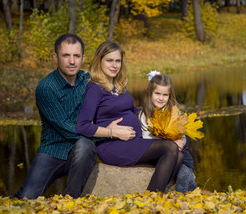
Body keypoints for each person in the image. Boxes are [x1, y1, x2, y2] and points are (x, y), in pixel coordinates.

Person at [76, 40, 183, 192]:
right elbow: (82, 126)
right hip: (113, 146)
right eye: (109, 60)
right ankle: (152, 198)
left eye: (118, 61)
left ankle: (156, 192)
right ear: (99, 61)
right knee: (169, 148)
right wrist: (112, 132)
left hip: (134, 141)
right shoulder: (95, 88)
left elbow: (132, 110)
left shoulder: (120, 85)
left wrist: (163, 117)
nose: (114, 65)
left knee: (178, 155)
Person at [15, 34, 98, 199]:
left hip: (81, 150)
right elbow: (68, 129)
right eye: (66, 55)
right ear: (55, 57)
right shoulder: (46, 88)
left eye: (76, 56)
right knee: (26, 198)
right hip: (52, 152)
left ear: (83, 58)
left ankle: (70, 201)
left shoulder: (89, 81)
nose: (72, 61)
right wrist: (108, 133)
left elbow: (111, 104)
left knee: (85, 146)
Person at [138, 72, 197, 193]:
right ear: (150, 93)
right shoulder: (145, 115)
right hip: (158, 153)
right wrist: (171, 142)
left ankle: (186, 175)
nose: (161, 98)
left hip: (177, 149)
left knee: (187, 156)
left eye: (165, 95)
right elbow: (146, 139)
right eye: (157, 93)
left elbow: (182, 135)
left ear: (170, 96)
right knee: (178, 155)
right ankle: (184, 181)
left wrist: (180, 142)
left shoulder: (173, 113)